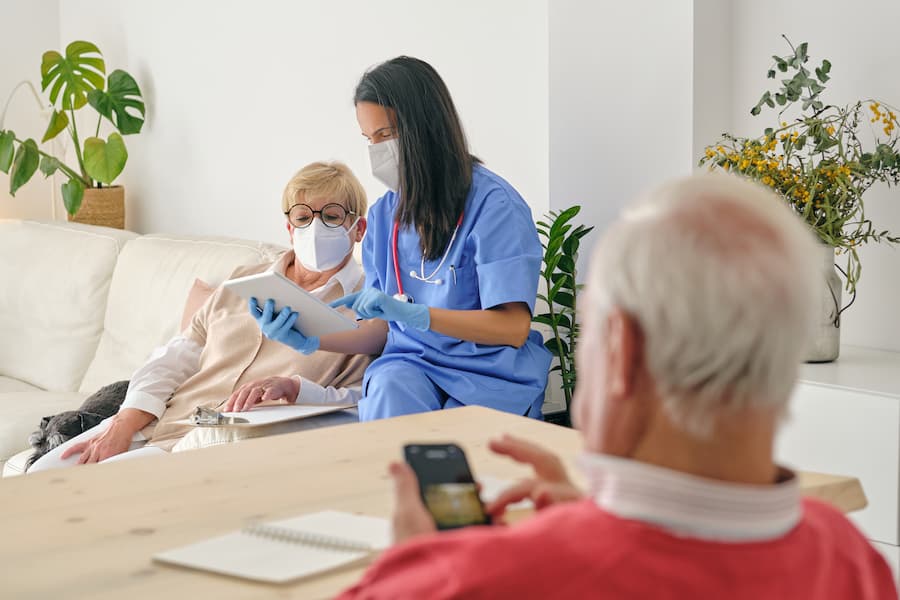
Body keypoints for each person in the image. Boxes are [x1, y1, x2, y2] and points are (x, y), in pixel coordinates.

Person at [337, 175, 898, 599]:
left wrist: (415, 565)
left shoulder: (478, 578)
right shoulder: (850, 559)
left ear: (621, 351)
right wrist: (588, 517)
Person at [253, 56, 551, 421]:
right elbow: (381, 331)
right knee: (390, 390)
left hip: (489, 374)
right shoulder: (384, 217)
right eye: (369, 138)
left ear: (427, 128)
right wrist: (310, 338)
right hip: (413, 367)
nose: (377, 150)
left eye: (386, 134)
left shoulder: (494, 207)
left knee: (461, 441)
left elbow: (513, 327)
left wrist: (420, 315)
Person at [28, 161, 373, 472]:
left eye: (331, 215)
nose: (315, 227)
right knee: (41, 476)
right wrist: (124, 422)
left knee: (82, 495)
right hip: (162, 420)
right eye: (303, 216)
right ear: (289, 227)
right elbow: (175, 357)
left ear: (358, 228)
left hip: (216, 440)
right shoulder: (243, 281)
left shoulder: (366, 310)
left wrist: (297, 389)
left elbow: (365, 398)